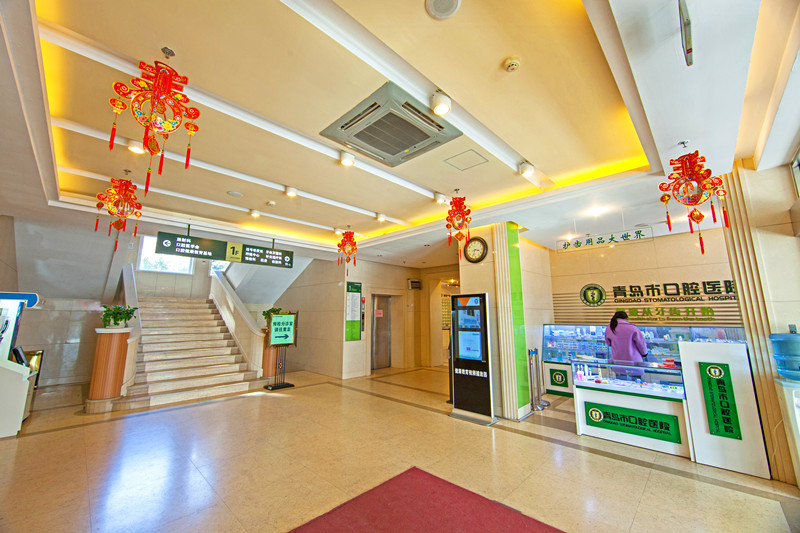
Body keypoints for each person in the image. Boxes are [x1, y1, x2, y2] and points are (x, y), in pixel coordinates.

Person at [604, 311, 648, 379]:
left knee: (620, 382)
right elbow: (641, 344)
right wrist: (644, 354)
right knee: (636, 383)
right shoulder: (632, 328)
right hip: (633, 362)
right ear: (626, 318)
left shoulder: (610, 327)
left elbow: (608, 343)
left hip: (618, 361)